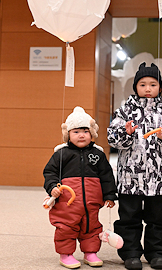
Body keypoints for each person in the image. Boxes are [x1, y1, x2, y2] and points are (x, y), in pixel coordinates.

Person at [107, 63, 162, 270]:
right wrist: (125, 134)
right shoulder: (125, 110)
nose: (147, 89)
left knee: (159, 217)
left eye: (153, 84)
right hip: (131, 177)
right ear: (135, 86)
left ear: (160, 87)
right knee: (129, 216)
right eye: (142, 84)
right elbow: (111, 138)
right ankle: (131, 253)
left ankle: (157, 253)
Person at [43, 106, 117, 269]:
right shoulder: (61, 154)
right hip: (67, 202)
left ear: (92, 133)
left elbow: (106, 175)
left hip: (91, 201)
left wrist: (109, 195)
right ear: (68, 134)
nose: (81, 135)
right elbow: (50, 172)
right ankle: (66, 254)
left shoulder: (98, 154)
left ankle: (90, 252)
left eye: (85, 131)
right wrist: (52, 187)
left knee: (91, 227)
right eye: (76, 131)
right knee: (66, 227)